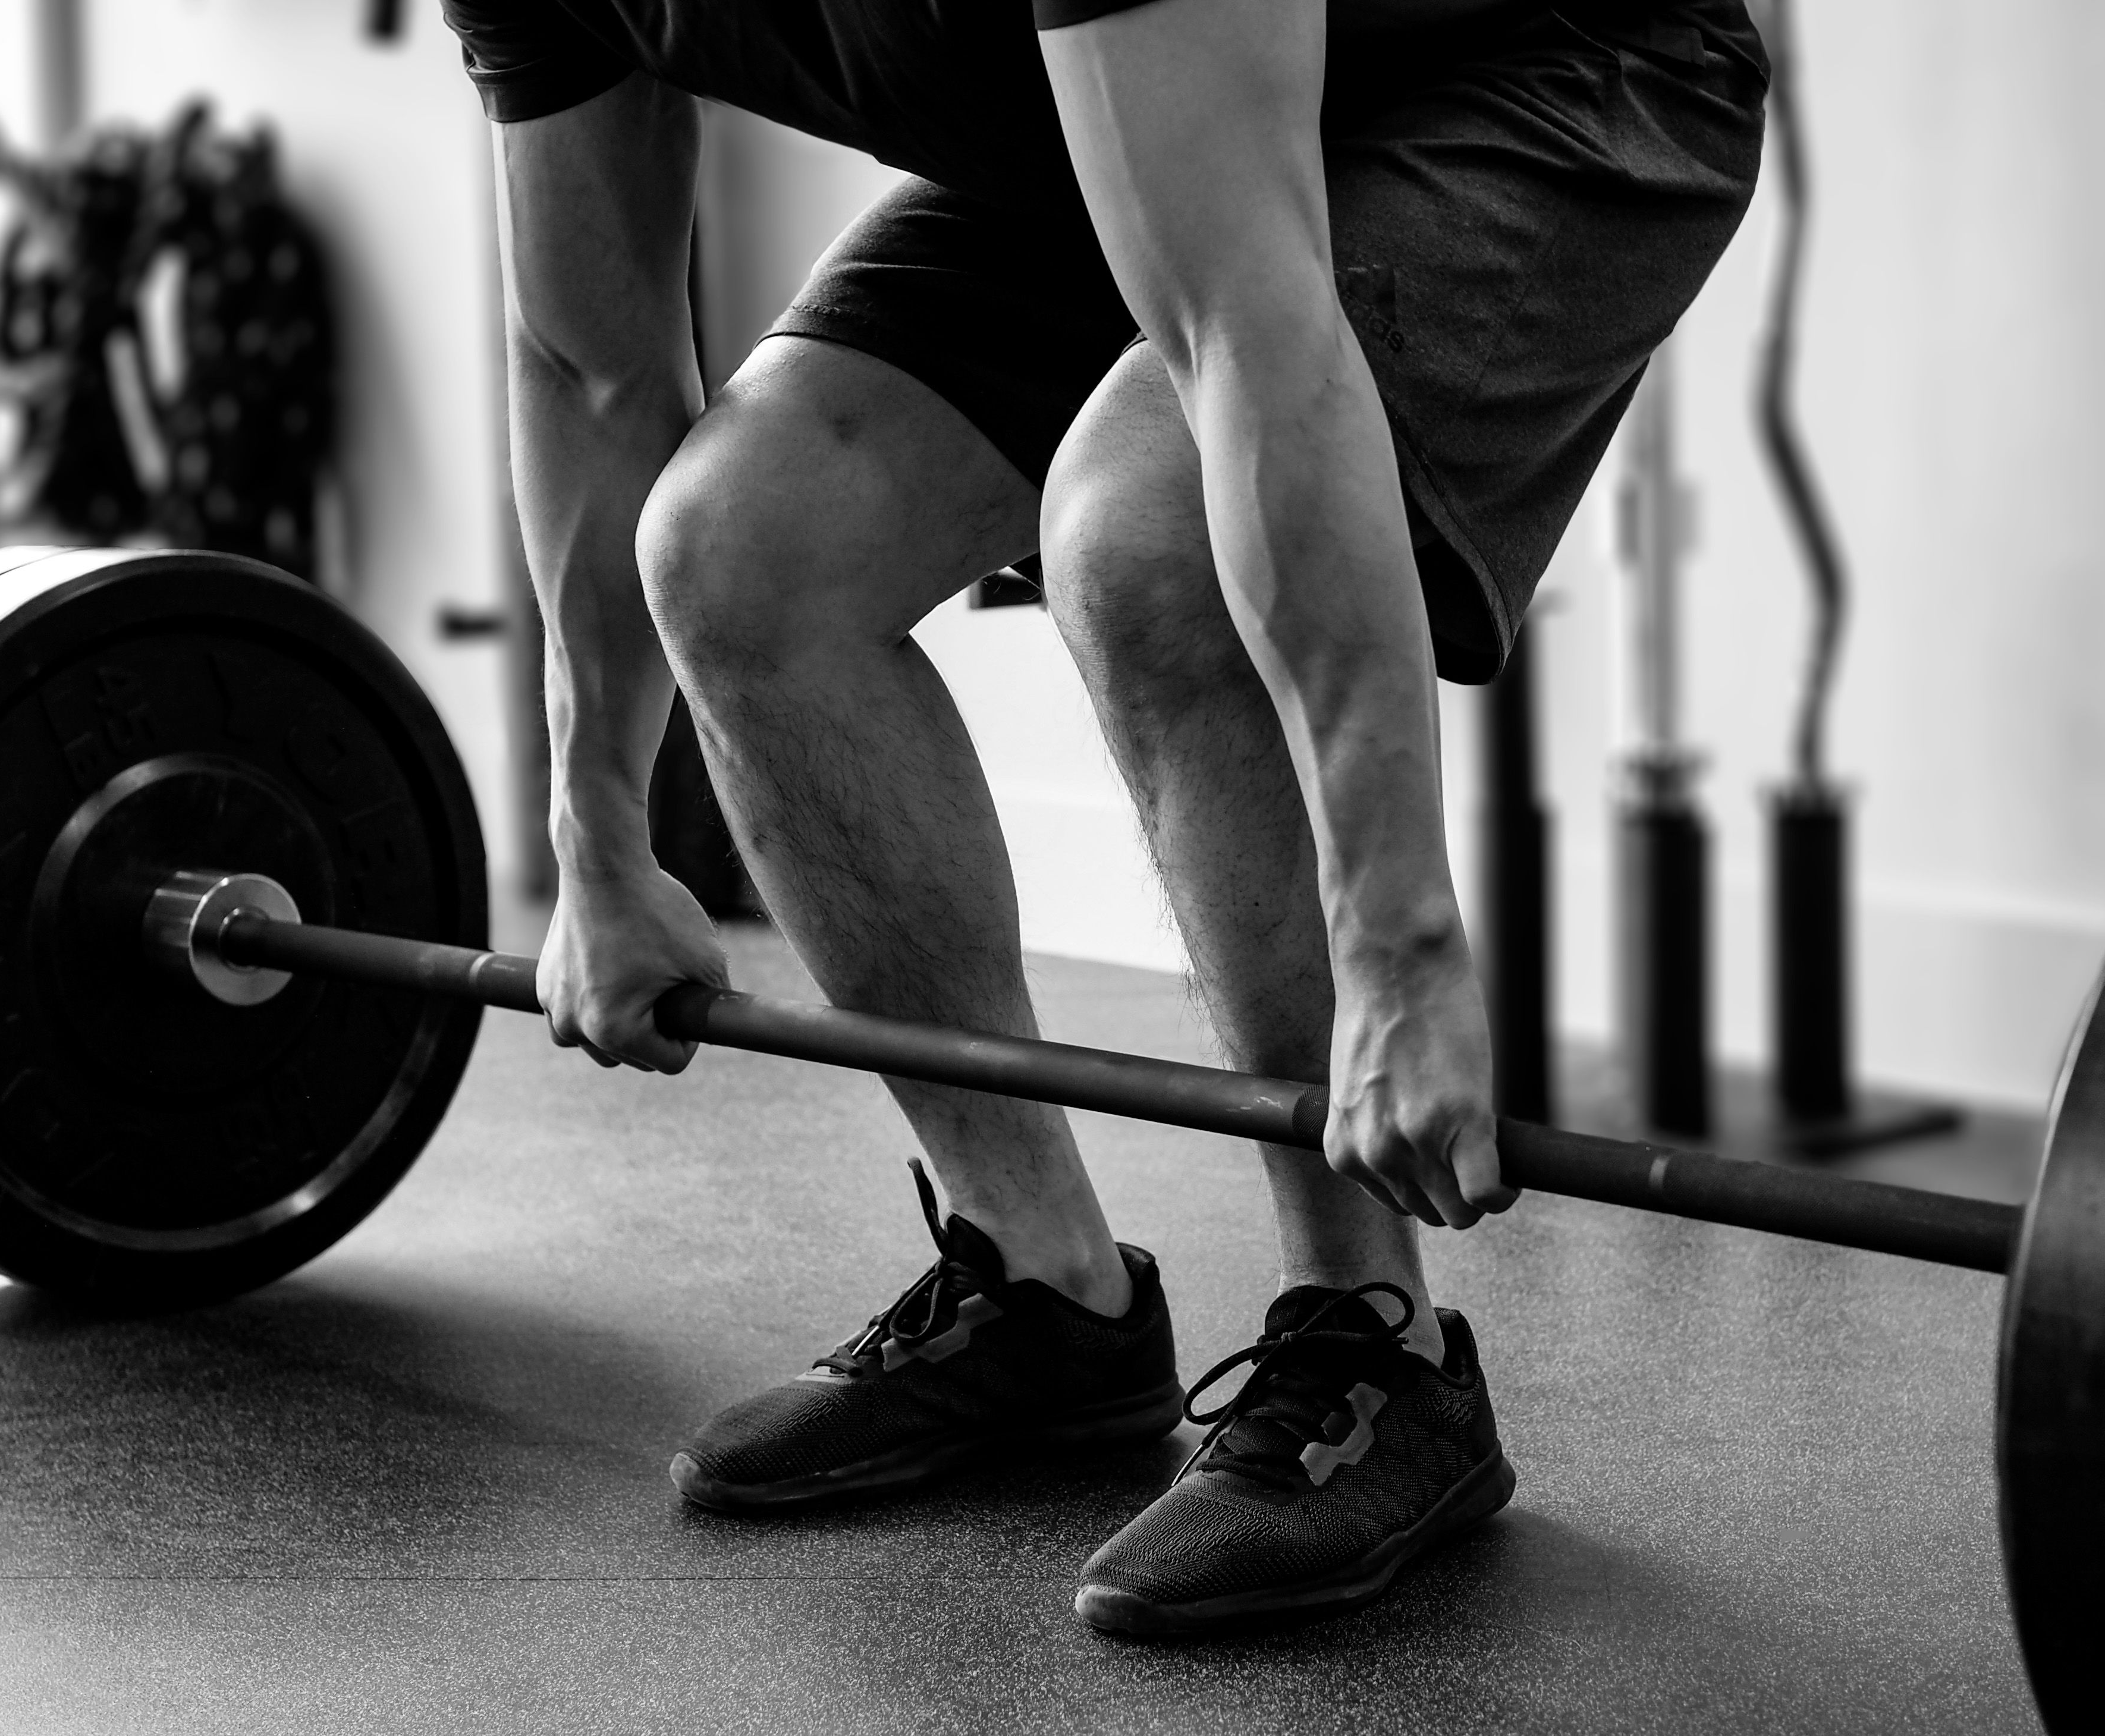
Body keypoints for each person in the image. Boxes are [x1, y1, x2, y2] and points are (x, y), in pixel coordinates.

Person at [441, 0, 1762, 1632]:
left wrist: (1403, 951)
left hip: (1545, 72)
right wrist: (596, 837)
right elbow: (588, 364)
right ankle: (1041, 1292)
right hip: (1113, 126)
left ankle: (1376, 1340)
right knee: (734, 546)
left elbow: (1249, 342)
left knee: (1145, 529)